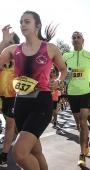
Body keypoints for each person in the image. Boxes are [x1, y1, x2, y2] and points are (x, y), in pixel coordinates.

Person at [0, 10, 67, 170]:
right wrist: (4, 42)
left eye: (27, 21)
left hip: (41, 104)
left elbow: (63, 70)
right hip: (21, 104)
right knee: (36, 152)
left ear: (38, 26)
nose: (22, 24)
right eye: (21, 22)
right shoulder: (13, 50)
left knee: (19, 153)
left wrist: (57, 81)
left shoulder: (50, 48)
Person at [63, 31, 90, 167]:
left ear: (83, 40)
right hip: (72, 92)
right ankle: (86, 140)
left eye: (78, 37)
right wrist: (63, 79)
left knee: (84, 122)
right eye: (74, 37)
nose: (76, 39)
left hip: (86, 91)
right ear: (71, 41)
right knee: (79, 124)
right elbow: (62, 71)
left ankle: (81, 155)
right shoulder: (66, 56)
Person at [0, 31, 20, 168]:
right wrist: (4, 40)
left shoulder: (20, 57)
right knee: (13, 125)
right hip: (2, 95)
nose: (8, 46)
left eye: (11, 43)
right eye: (7, 43)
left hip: (15, 96)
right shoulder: (2, 57)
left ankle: (4, 155)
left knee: (10, 124)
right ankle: (25, 140)